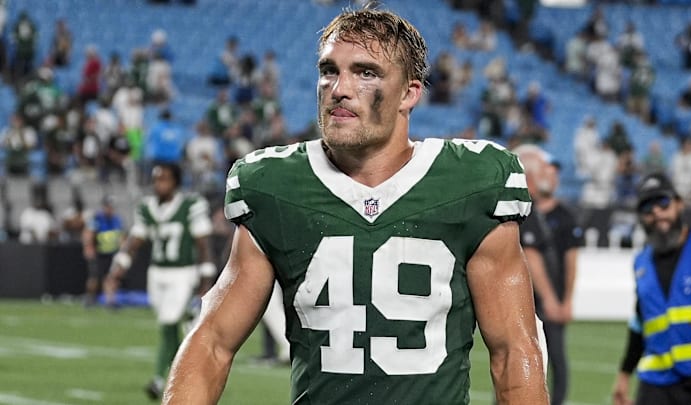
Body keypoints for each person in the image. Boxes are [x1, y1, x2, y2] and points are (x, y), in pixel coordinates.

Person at [163, 7, 548, 405]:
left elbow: (514, 352)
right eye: (329, 70)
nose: (339, 88)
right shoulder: (275, 187)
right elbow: (212, 343)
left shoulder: (472, 182)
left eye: (366, 73)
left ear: (409, 93)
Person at [103, 162, 216, 400]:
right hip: (157, 273)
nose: (158, 184)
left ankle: (157, 380)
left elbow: (203, 243)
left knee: (167, 323)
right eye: (156, 179)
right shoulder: (147, 207)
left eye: (163, 179)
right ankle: (184, 376)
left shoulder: (190, 205)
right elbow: (135, 241)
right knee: (170, 326)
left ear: (175, 181)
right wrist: (117, 270)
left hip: (182, 272)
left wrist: (206, 277)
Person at [612, 172, 691, 405]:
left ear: (679, 204)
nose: (656, 213)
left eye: (663, 203)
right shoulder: (641, 264)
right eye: (647, 208)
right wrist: (624, 373)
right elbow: (640, 322)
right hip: (657, 384)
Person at [515, 144, 582, 405]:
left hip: (544, 301)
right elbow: (532, 259)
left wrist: (564, 300)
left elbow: (571, 261)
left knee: (553, 358)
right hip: (527, 300)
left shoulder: (563, 216)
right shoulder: (527, 211)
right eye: (546, 170)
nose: (550, 175)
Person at [82, 195, 124, 306]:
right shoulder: (97, 219)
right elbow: (88, 234)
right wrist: (89, 248)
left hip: (111, 254)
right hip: (98, 253)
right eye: (108, 207)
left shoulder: (116, 220)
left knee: (110, 278)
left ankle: (110, 301)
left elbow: (120, 237)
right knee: (94, 278)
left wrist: (122, 252)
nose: (110, 209)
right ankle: (90, 298)